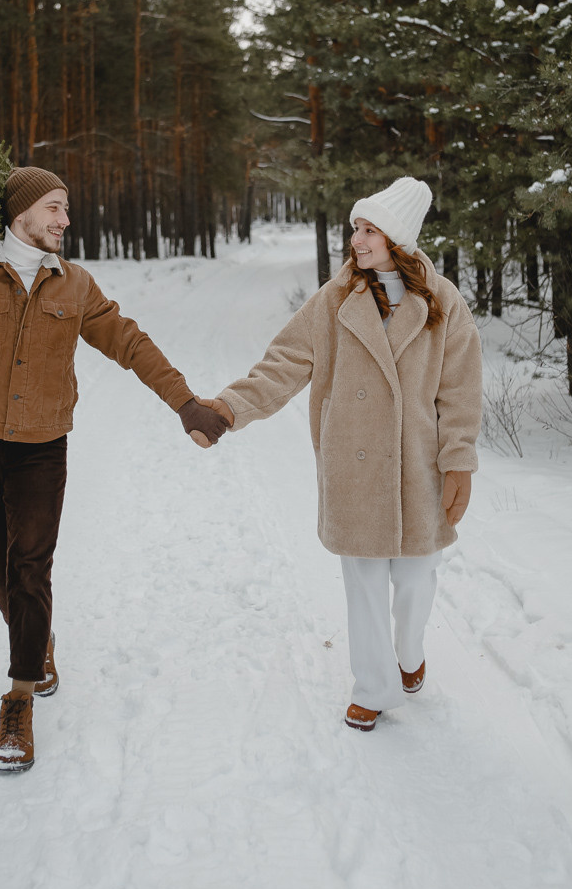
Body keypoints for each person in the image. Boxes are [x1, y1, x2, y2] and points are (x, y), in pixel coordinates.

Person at [0, 166, 227, 772]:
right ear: (24, 213)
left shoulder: (75, 286)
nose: (65, 219)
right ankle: (38, 640)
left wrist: (186, 402)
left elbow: (129, 342)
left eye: (65, 209)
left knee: (29, 565)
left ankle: (19, 695)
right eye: (56, 208)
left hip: (41, 445)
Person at [204, 177, 482, 731]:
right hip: (351, 465)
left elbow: (460, 387)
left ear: (397, 239)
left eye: (368, 230)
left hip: (417, 467)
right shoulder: (334, 301)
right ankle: (374, 686)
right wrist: (228, 409)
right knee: (363, 585)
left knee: (416, 581)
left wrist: (459, 459)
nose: (355, 239)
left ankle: (409, 653)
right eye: (355, 228)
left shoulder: (442, 301)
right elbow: (282, 365)